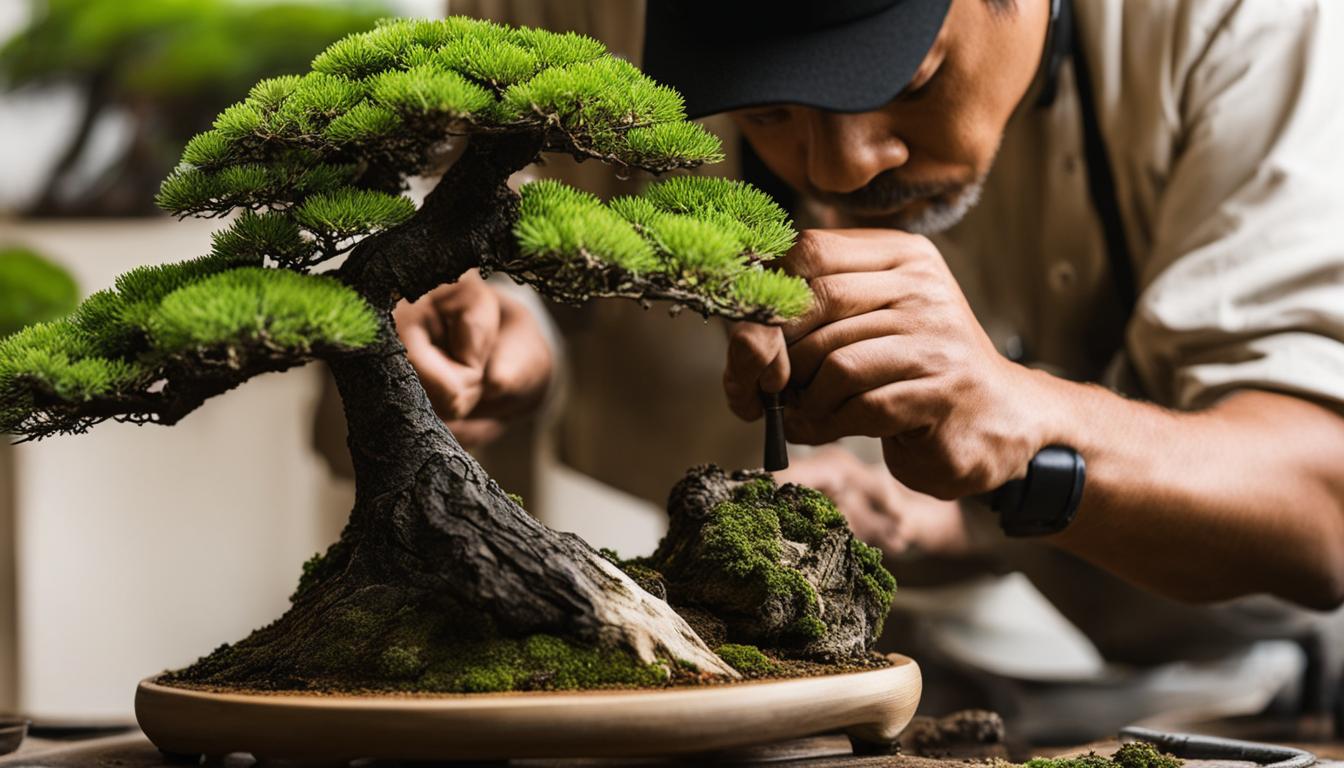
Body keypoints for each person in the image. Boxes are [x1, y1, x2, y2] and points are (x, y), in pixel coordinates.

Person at [397, 0, 1344, 729]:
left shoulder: (1240, 30)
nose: (841, 167)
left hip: (1219, 681)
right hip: (819, 675)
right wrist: (499, 320)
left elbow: (1321, 500)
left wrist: (1027, 425)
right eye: (767, 107)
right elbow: (479, 202)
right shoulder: (575, 13)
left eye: (915, 81)